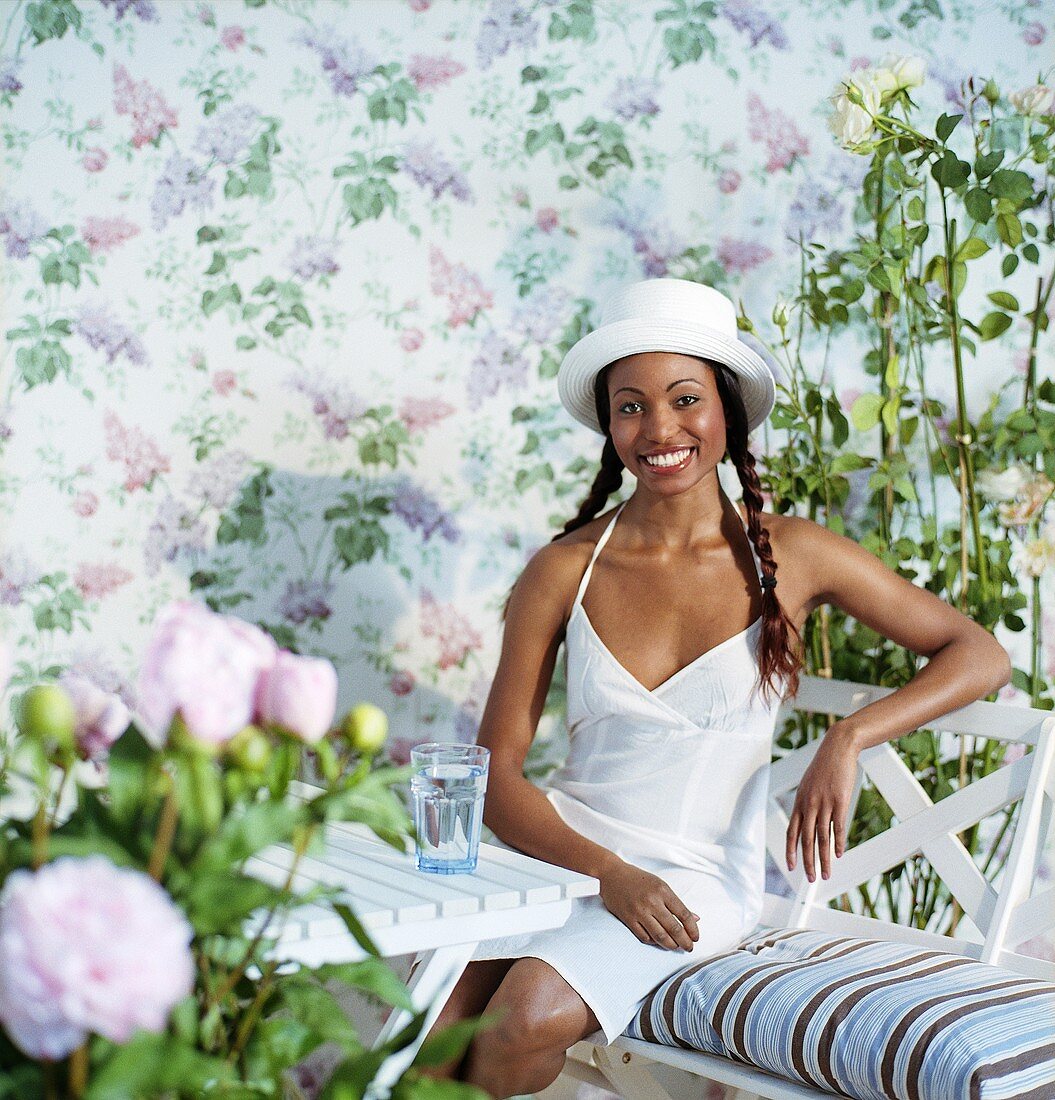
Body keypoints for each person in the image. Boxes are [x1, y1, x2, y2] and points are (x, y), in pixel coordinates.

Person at [417, 277, 1011, 1098]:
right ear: (608, 425)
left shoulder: (794, 554)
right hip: (561, 852)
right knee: (429, 1036)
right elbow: (496, 777)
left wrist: (849, 735)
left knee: (522, 1021)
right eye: (630, 406)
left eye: (684, 398)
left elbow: (975, 652)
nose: (658, 429)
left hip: (695, 876)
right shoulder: (563, 569)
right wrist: (607, 875)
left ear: (726, 409)